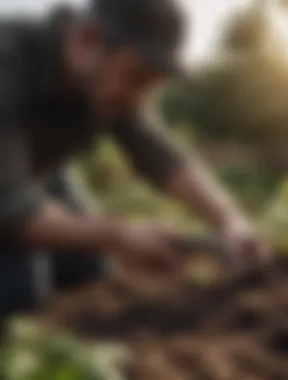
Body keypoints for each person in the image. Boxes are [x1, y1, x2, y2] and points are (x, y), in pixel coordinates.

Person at [0, 0, 268, 315]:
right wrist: (118, 236)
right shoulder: (8, 62)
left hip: (28, 172)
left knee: (87, 267)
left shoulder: (103, 75)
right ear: (89, 40)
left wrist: (230, 221)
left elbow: (157, 153)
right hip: (8, 191)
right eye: (138, 76)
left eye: (152, 84)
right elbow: (13, 211)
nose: (139, 97)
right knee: (20, 289)